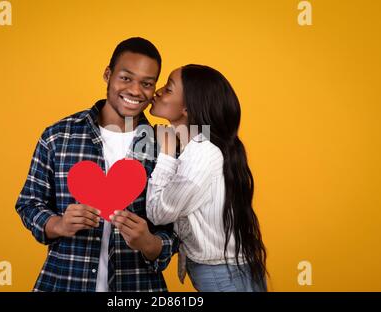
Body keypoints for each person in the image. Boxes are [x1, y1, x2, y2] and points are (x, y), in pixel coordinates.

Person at [15, 37, 178, 292]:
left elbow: (178, 228)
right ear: (108, 74)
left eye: (147, 83)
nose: (136, 91)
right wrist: (58, 224)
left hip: (138, 288)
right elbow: (28, 203)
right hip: (65, 282)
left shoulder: (166, 147)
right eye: (126, 78)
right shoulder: (58, 136)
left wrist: (150, 243)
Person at [147, 64, 267, 292]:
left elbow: (157, 213)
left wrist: (165, 154)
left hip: (224, 278)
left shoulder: (202, 152)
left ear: (187, 109)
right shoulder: (202, 146)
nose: (158, 91)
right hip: (230, 274)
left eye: (169, 88)